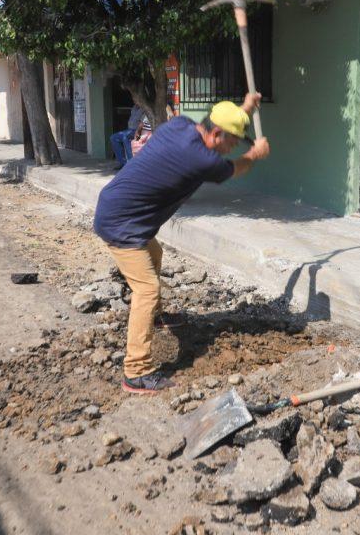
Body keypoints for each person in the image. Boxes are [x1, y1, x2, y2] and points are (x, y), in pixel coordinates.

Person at [94, 93, 270, 394]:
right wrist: (254, 154)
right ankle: (136, 371)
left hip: (122, 210)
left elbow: (222, 125)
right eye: (231, 143)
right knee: (147, 289)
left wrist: (244, 109)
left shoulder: (181, 126)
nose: (231, 149)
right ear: (215, 134)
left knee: (154, 252)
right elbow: (236, 168)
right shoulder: (201, 160)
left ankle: (158, 317)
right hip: (121, 223)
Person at [109, 103, 146, 169]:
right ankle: (122, 163)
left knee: (125, 137)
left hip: (137, 130)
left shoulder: (145, 108)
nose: (135, 100)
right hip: (129, 130)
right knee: (113, 138)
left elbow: (142, 123)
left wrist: (137, 132)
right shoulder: (134, 107)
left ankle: (131, 164)